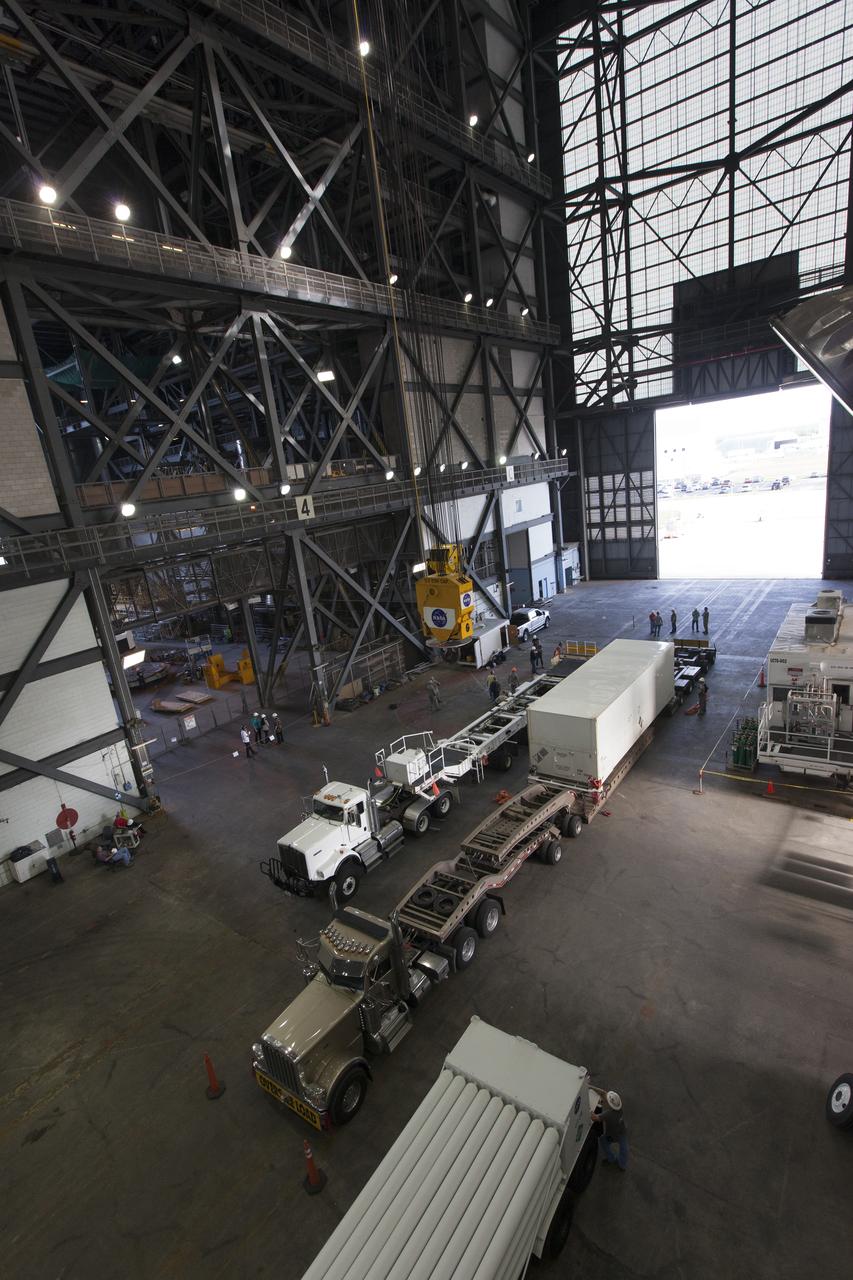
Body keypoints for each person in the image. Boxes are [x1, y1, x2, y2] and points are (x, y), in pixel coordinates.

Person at [592, 1087, 628, 1170]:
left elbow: (594, 1118)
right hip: (622, 1132)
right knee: (624, 1150)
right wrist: (590, 1087)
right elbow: (604, 1093)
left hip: (612, 1134)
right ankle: (622, 1165)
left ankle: (611, 1158)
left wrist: (589, 1110)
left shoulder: (608, 1114)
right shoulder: (619, 1109)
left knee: (603, 1142)